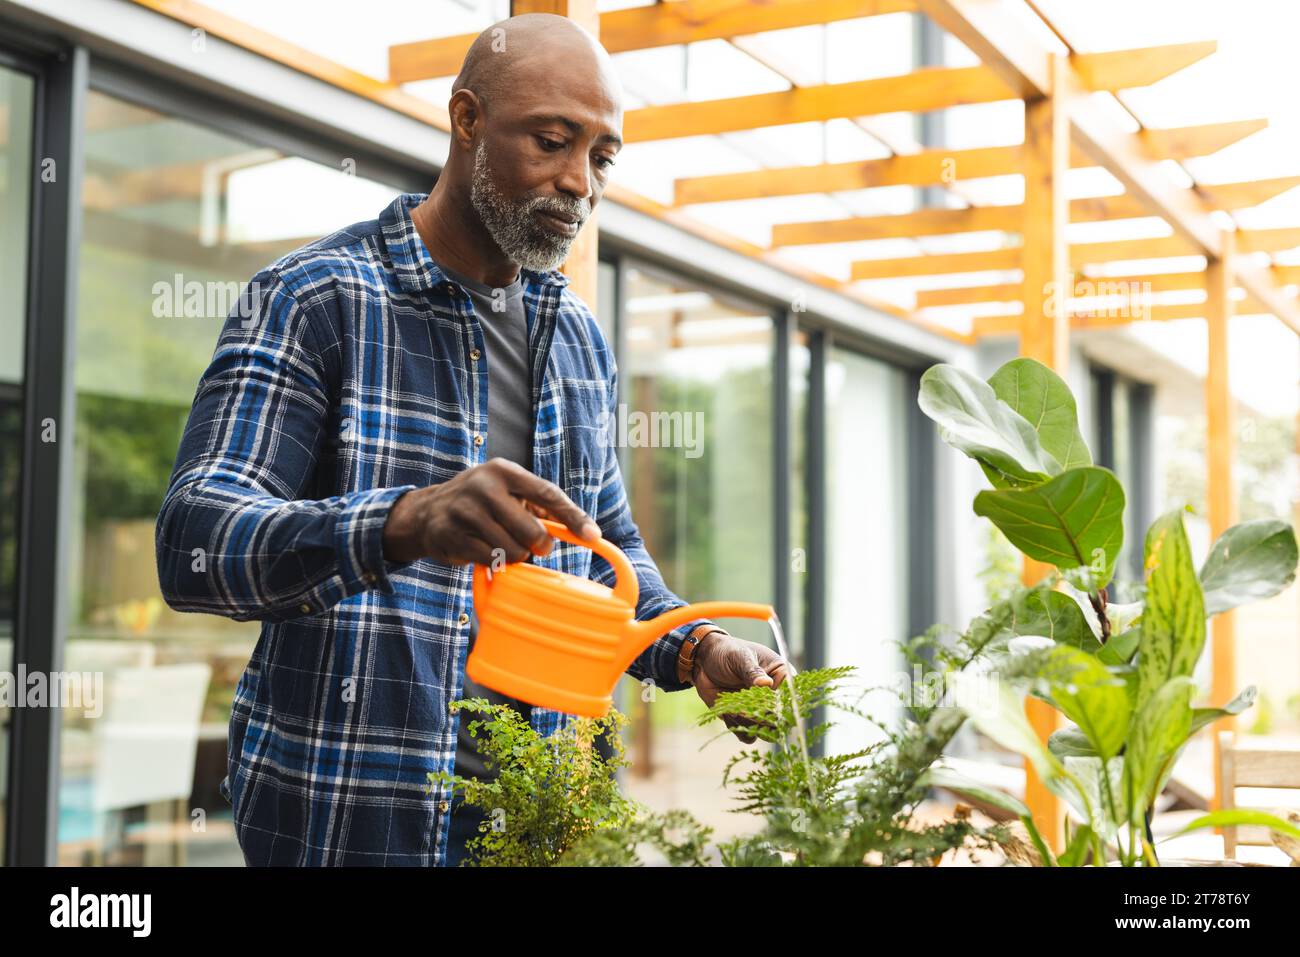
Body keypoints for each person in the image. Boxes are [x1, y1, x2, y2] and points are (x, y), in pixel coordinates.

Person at [155, 13, 789, 866]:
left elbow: (607, 550)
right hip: (353, 812)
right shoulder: (316, 299)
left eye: (601, 158)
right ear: (466, 120)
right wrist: (407, 520)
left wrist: (697, 646)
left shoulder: (578, 340)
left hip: (542, 816)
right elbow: (195, 540)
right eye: (553, 142)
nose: (579, 183)